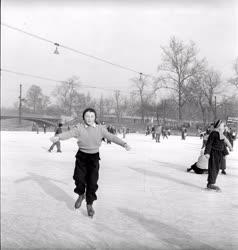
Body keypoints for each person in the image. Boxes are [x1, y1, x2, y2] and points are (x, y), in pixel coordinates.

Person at [49, 108, 131, 217]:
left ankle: (89, 204)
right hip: (81, 157)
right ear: (84, 117)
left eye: (92, 116)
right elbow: (68, 134)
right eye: (87, 116)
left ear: (95, 117)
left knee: (92, 182)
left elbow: (111, 137)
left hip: (94, 158)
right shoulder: (79, 128)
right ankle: (81, 194)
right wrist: (58, 137)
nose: (89, 118)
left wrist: (123, 144)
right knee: (78, 178)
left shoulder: (100, 129)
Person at [204, 120, 233, 191]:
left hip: (219, 154)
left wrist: (225, 153)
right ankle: (211, 183)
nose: (224, 127)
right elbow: (209, 143)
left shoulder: (221, 135)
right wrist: (207, 152)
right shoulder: (213, 133)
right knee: (213, 168)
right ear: (219, 126)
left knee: (216, 169)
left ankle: (211, 183)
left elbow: (223, 145)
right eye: (223, 126)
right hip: (213, 153)